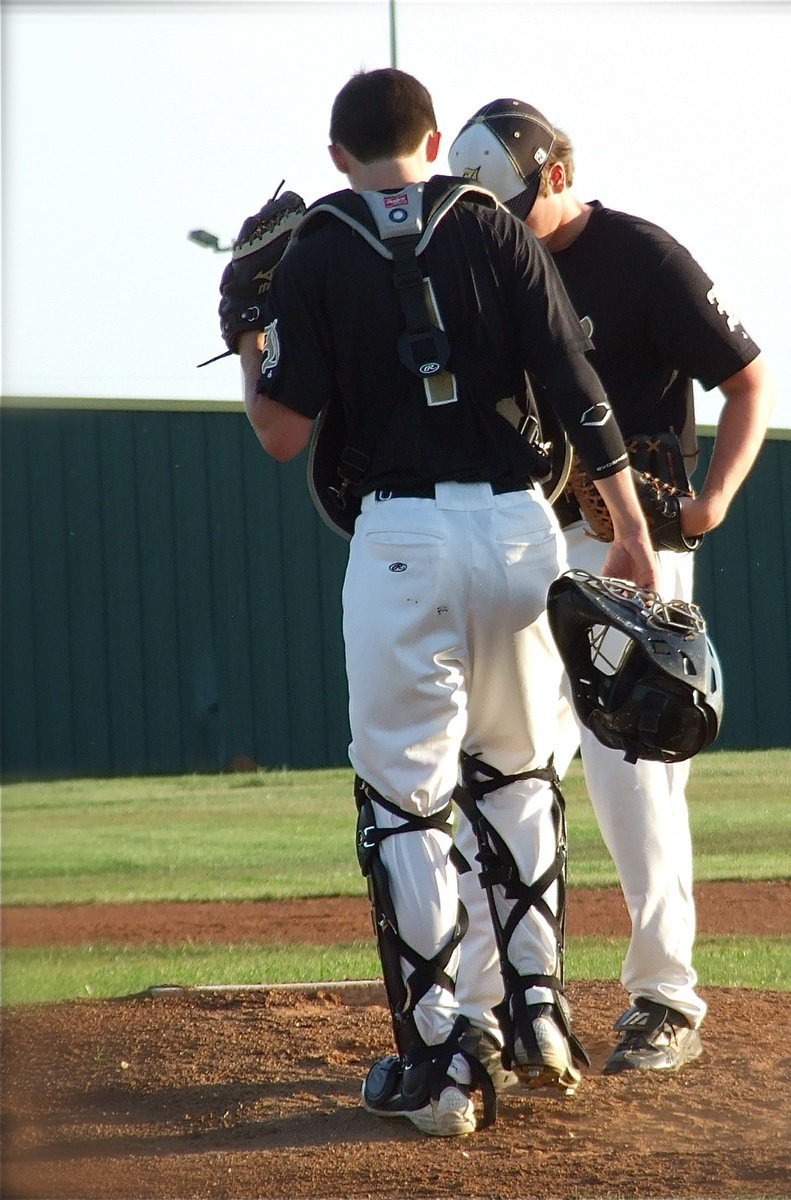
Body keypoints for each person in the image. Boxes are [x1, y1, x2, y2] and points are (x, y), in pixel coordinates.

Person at [225, 70, 658, 1137]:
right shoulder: (494, 228)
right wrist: (632, 529)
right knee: (517, 771)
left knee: (406, 799)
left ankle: (442, 1057)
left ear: (336, 157)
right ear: (433, 137)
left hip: (404, 539)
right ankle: (539, 1008)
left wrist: (250, 332)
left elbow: (282, 434)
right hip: (519, 530)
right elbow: (573, 379)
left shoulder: (318, 248)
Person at [449, 99, 777, 1075]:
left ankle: (664, 997)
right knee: (506, 765)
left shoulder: (639, 257)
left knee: (634, 769)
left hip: (630, 556)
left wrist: (712, 499)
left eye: (512, 206)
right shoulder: (484, 261)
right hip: (525, 541)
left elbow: (748, 378)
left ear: (554, 175)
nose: (499, 225)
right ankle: (505, 993)